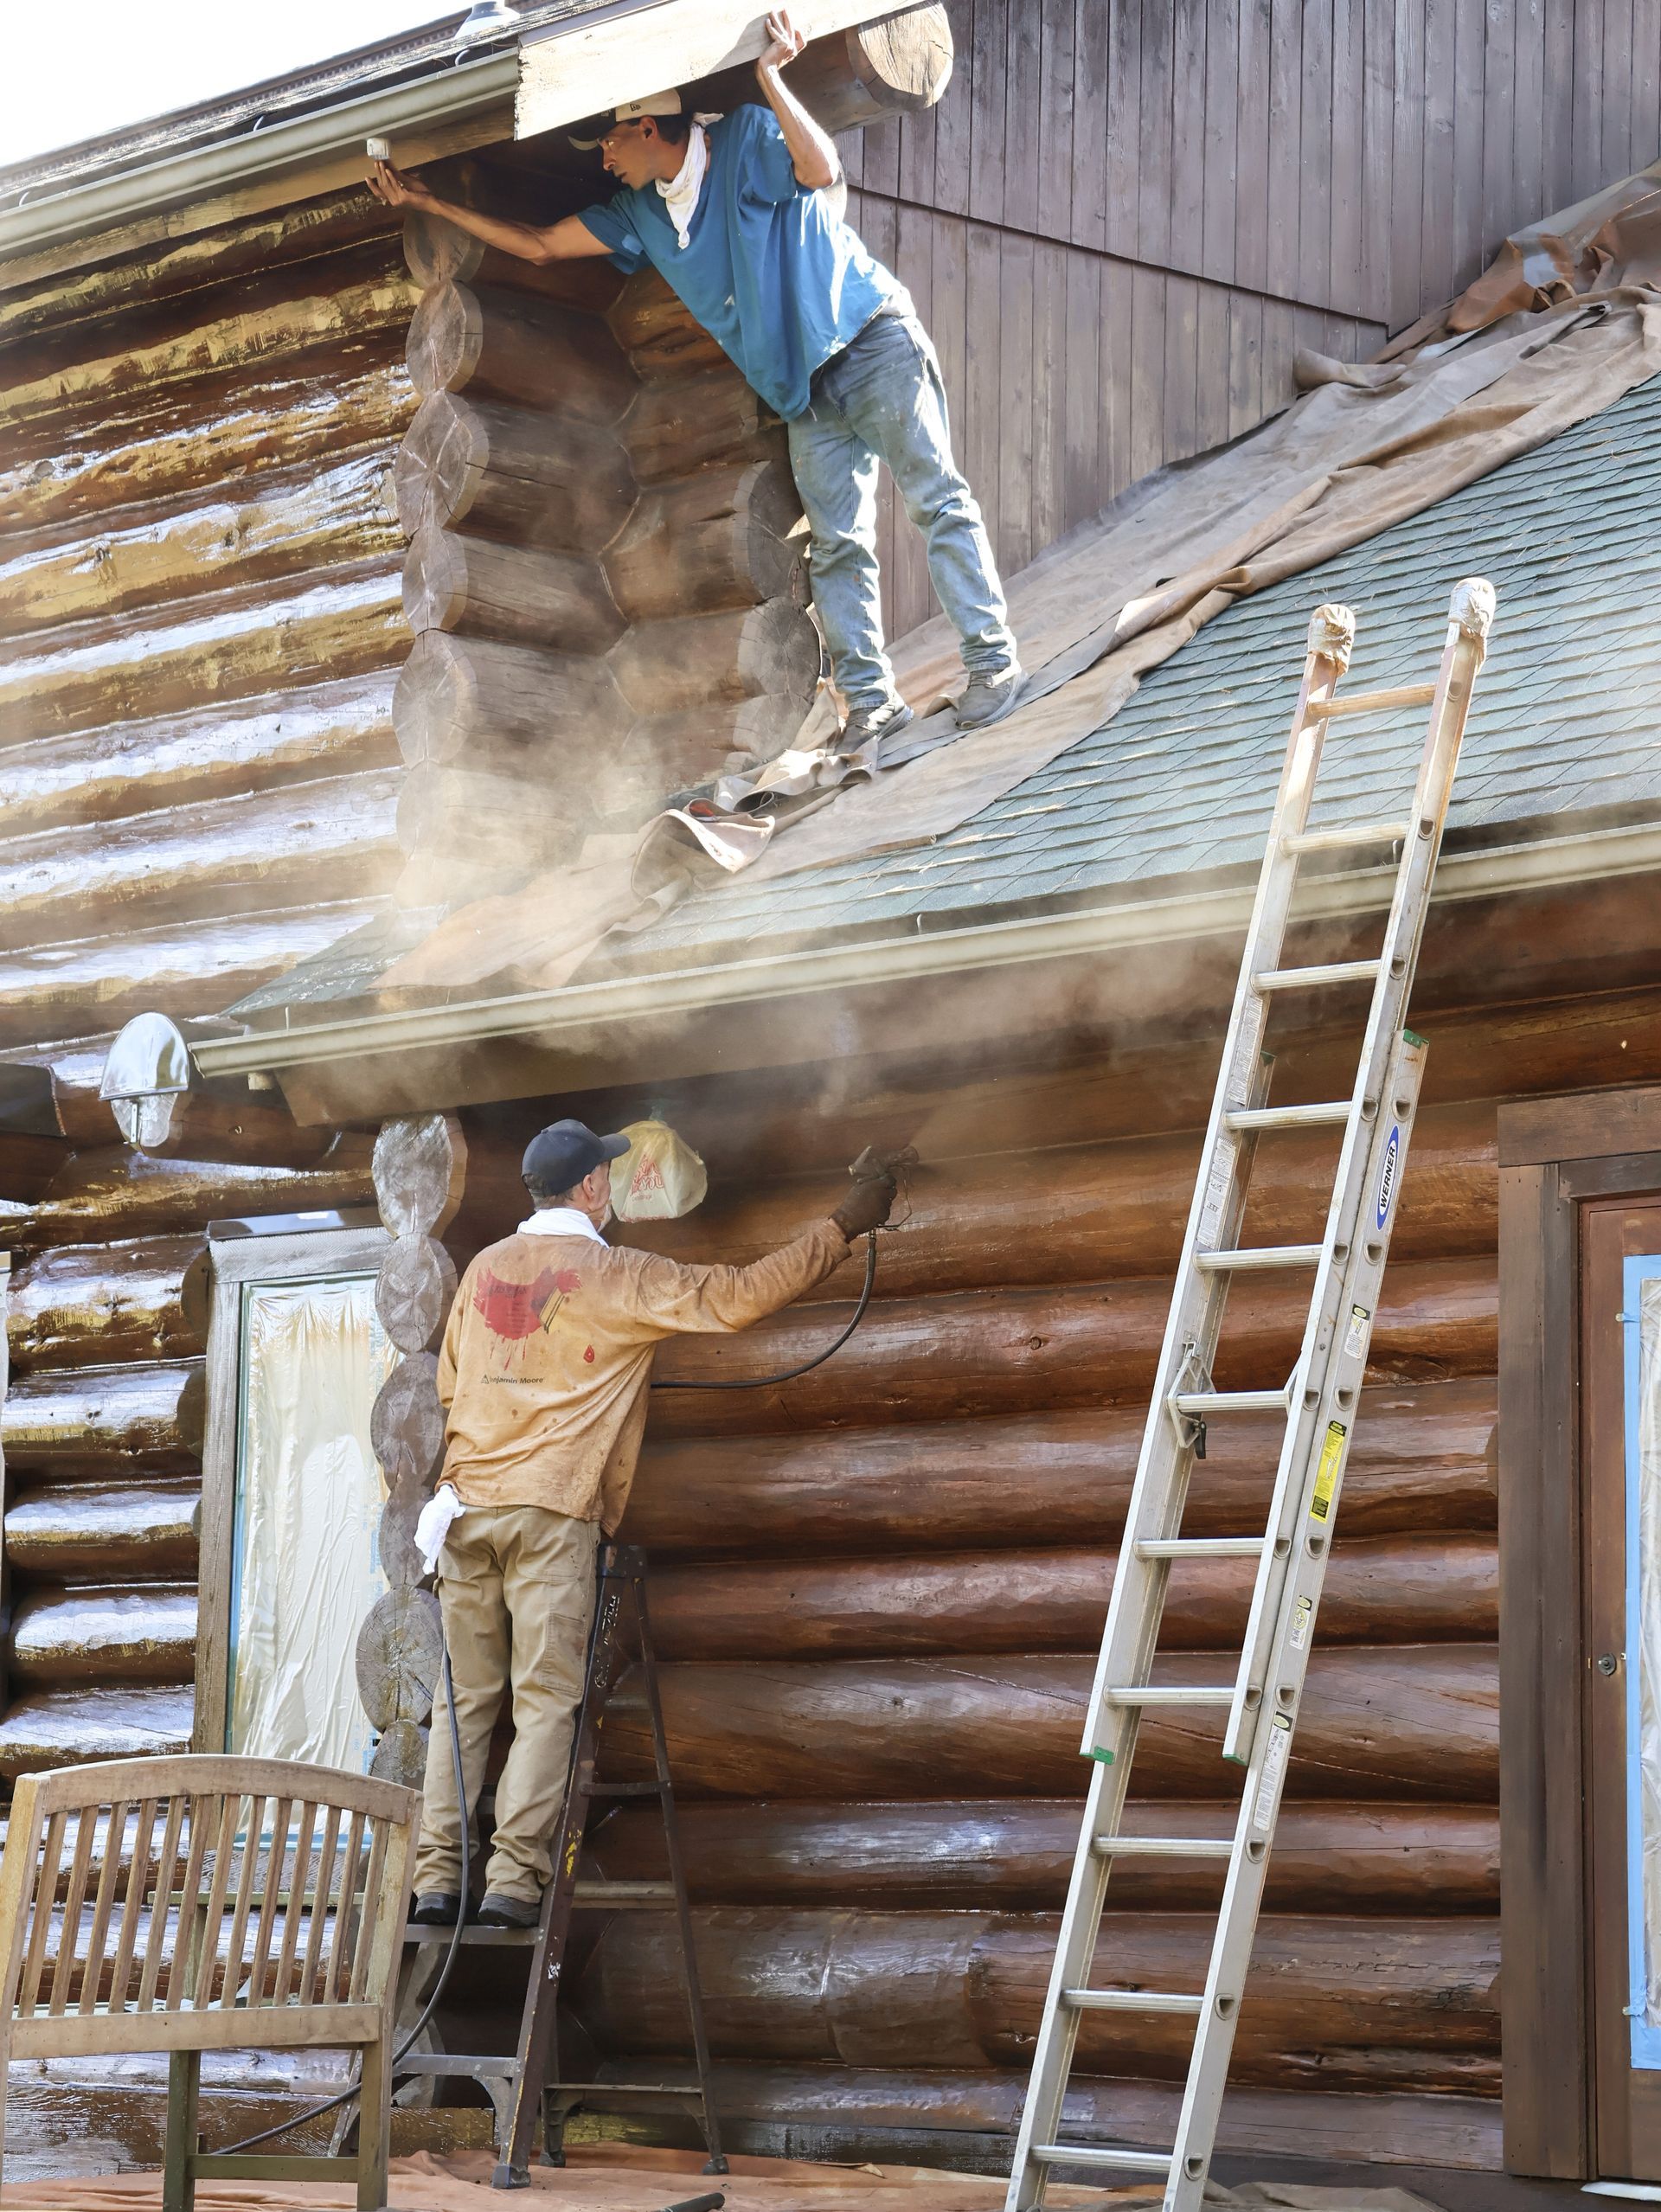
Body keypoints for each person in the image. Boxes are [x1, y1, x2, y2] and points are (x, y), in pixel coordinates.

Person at [369, 8, 1024, 755]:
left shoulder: (746, 138)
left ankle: (993, 665)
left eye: (611, 139)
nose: (603, 156)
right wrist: (427, 203)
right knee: (840, 547)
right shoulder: (640, 215)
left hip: (871, 341)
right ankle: (873, 709)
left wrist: (772, 78)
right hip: (805, 396)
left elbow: (822, 171)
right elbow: (544, 247)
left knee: (936, 500)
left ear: (649, 130)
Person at [408, 1116, 895, 1927]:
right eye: (607, 1173)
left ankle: (435, 1883)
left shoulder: (484, 1267)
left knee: (464, 1704)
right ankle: (512, 1887)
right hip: (551, 1510)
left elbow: (452, 1390)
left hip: (462, 1511)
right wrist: (844, 1223)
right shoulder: (614, 1274)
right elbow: (737, 1298)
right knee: (545, 1702)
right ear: (593, 1188)